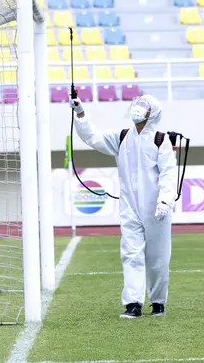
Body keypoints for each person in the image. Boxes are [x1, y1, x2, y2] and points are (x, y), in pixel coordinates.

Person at [70, 95, 177, 318]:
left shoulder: (160, 140)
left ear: (152, 114)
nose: (137, 112)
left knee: (158, 257)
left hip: (156, 209)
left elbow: (168, 173)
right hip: (130, 207)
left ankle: (158, 302)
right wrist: (80, 113)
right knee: (131, 254)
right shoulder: (122, 137)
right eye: (136, 107)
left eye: (143, 109)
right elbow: (93, 137)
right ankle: (133, 303)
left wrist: (166, 200)